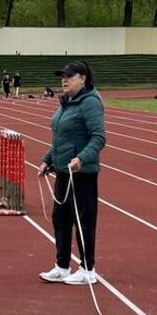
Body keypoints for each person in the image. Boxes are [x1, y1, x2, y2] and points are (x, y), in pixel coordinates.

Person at [38, 61, 106, 285]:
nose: (64, 80)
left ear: (83, 78)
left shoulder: (90, 102)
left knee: (83, 221)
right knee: (61, 220)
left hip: (82, 173)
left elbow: (98, 137)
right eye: (62, 76)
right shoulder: (66, 103)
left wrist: (81, 158)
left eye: (70, 76)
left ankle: (87, 270)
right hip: (63, 172)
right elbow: (62, 139)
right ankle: (62, 266)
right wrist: (48, 160)